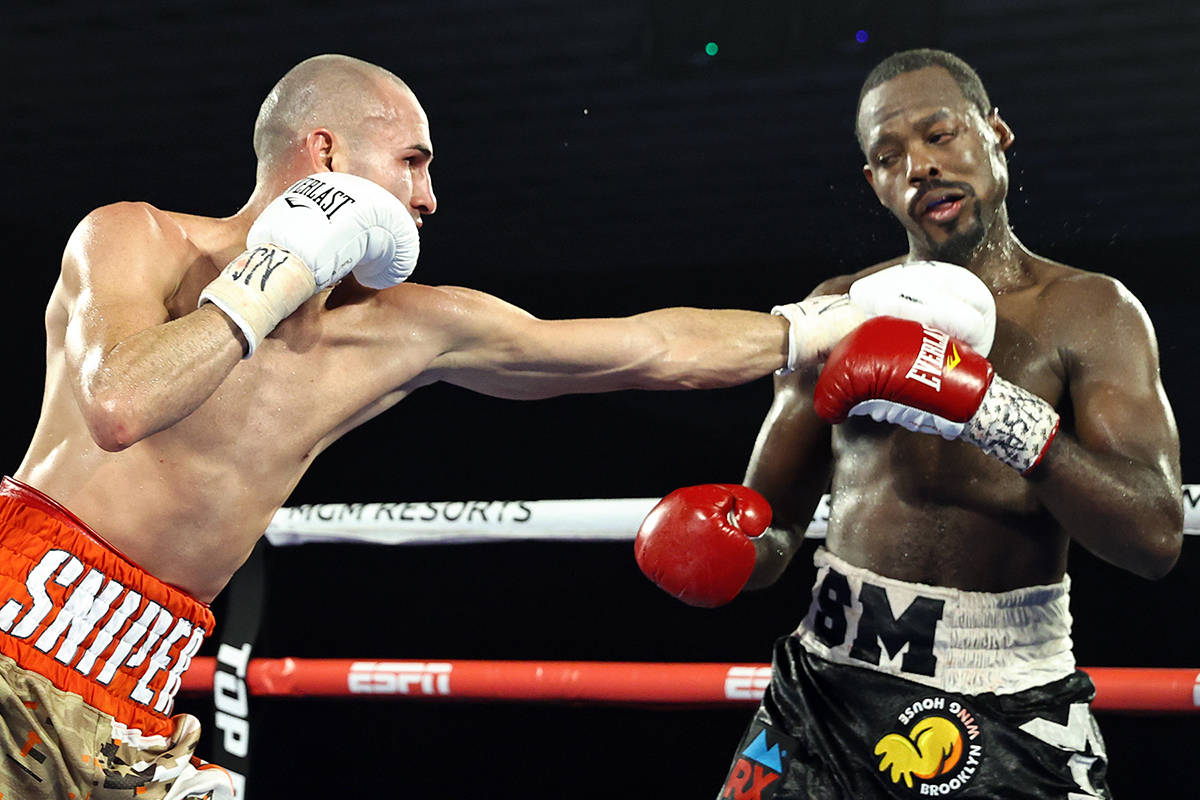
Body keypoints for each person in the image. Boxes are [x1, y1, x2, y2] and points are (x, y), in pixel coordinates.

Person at [0, 53, 989, 799]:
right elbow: (122, 404)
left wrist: (823, 325)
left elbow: (644, 348)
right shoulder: (134, 237)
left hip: (132, 697)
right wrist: (271, 278)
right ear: (328, 156)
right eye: (412, 161)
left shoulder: (406, 330)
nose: (429, 197)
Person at [634, 48, 1182, 799]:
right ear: (874, 184)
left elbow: (1155, 538)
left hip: (1010, 700)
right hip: (824, 690)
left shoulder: (1092, 314)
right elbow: (776, 525)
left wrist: (993, 412)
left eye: (940, 134)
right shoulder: (836, 309)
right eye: (889, 156)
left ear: (997, 134)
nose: (918, 166)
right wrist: (723, 552)